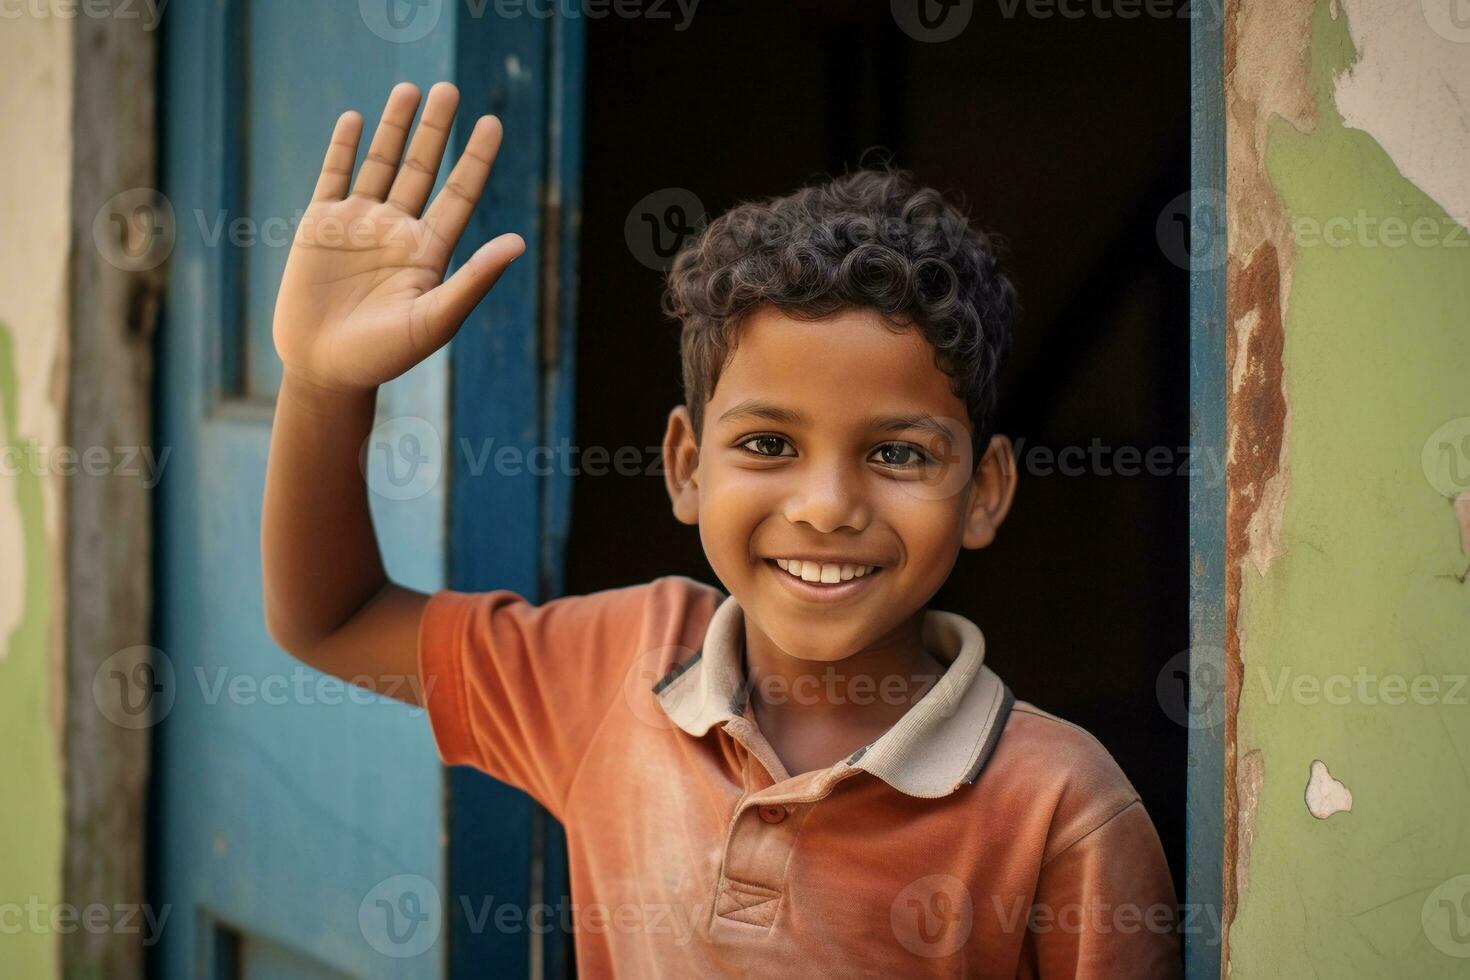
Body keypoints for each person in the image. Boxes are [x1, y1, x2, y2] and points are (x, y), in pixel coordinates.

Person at [262, 80, 1183, 978]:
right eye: (770, 442)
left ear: (984, 491)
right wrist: (322, 385)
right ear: (686, 466)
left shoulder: (1059, 809)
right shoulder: (616, 666)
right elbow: (333, 619)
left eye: (898, 454)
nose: (826, 507)